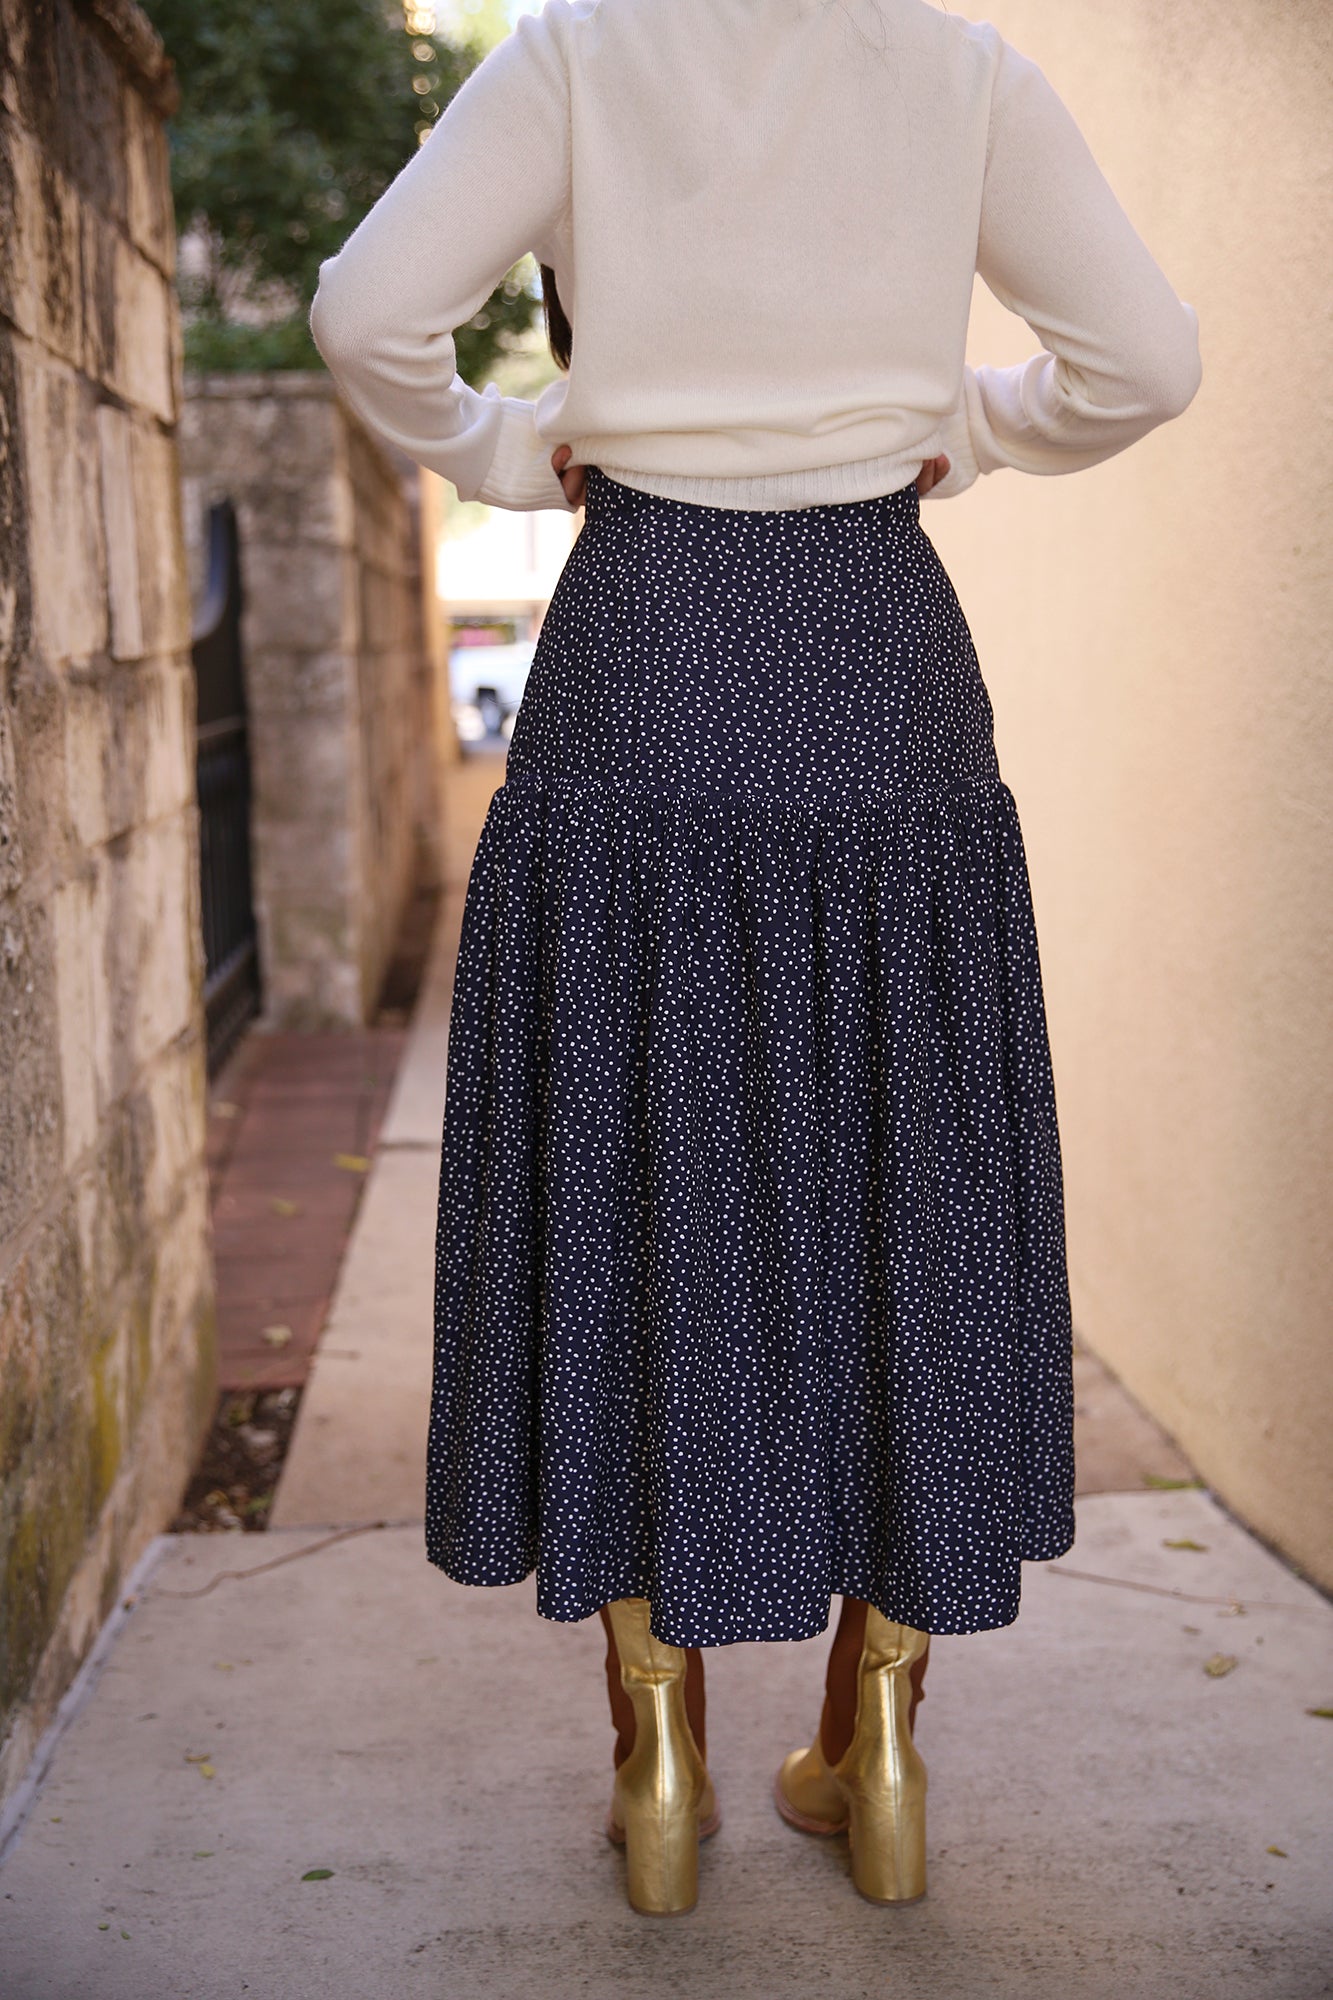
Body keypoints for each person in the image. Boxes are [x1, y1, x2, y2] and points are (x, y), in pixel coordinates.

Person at [308, 0, 1201, 1919]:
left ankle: (656, 1760)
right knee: (906, 1181)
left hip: (641, 645)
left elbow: (358, 313)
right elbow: (1143, 361)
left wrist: (499, 447)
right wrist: (963, 423)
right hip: (876, 649)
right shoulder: (958, 73)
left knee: (644, 1186)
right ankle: (874, 1744)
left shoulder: (574, 56)